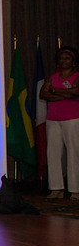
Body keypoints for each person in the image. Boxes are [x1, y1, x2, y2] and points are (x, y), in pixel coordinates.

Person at [41, 46, 79, 198]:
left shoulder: (77, 76)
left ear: (73, 61)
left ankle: (75, 190)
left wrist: (55, 91)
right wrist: (66, 94)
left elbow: (77, 92)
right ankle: (56, 188)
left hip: (73, 119)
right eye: (61, 58)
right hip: (53, 119)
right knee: (53, 153)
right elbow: (43, 93)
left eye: (67, 58)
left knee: (74, 153)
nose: (64, 61)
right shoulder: (53, 77)